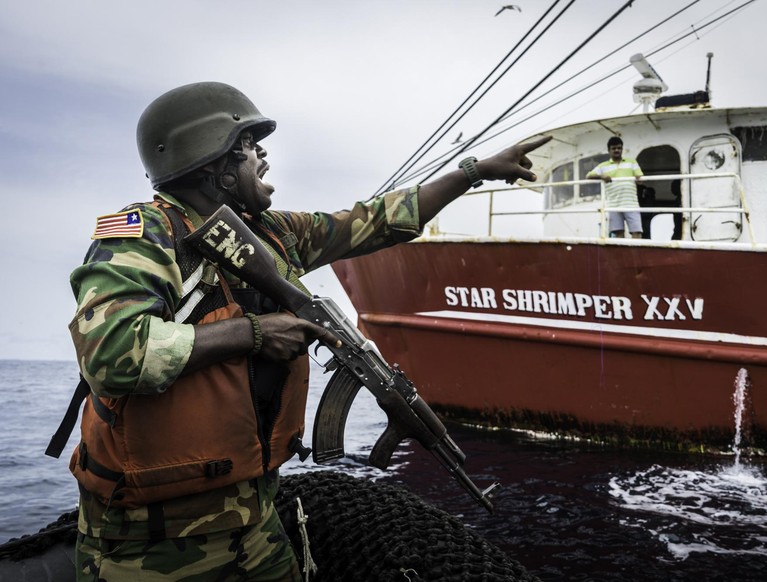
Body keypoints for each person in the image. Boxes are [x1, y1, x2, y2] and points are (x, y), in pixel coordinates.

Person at [63, 81, 550, 581]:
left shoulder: (274, 233)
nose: (263, 156)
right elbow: (112, 355)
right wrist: (253, 332)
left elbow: (376, 221)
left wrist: (473, 172)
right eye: (248, 146)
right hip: (149, 546)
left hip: (255, 522)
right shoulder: (145, 234)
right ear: (214, 163)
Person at [586, 136, 644, 238]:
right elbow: (588, 175)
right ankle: (621, 254)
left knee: (637, 232)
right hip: (614, 204)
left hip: (631, 203)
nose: (616, 150)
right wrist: (602, 176)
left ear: (622, 149)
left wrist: (639, 179)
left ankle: (635, 254)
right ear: (609, 150)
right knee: (618, 233)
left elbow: (639, 177)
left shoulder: (632, 162)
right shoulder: (603, 166)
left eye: (619, 148)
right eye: (613, 148)